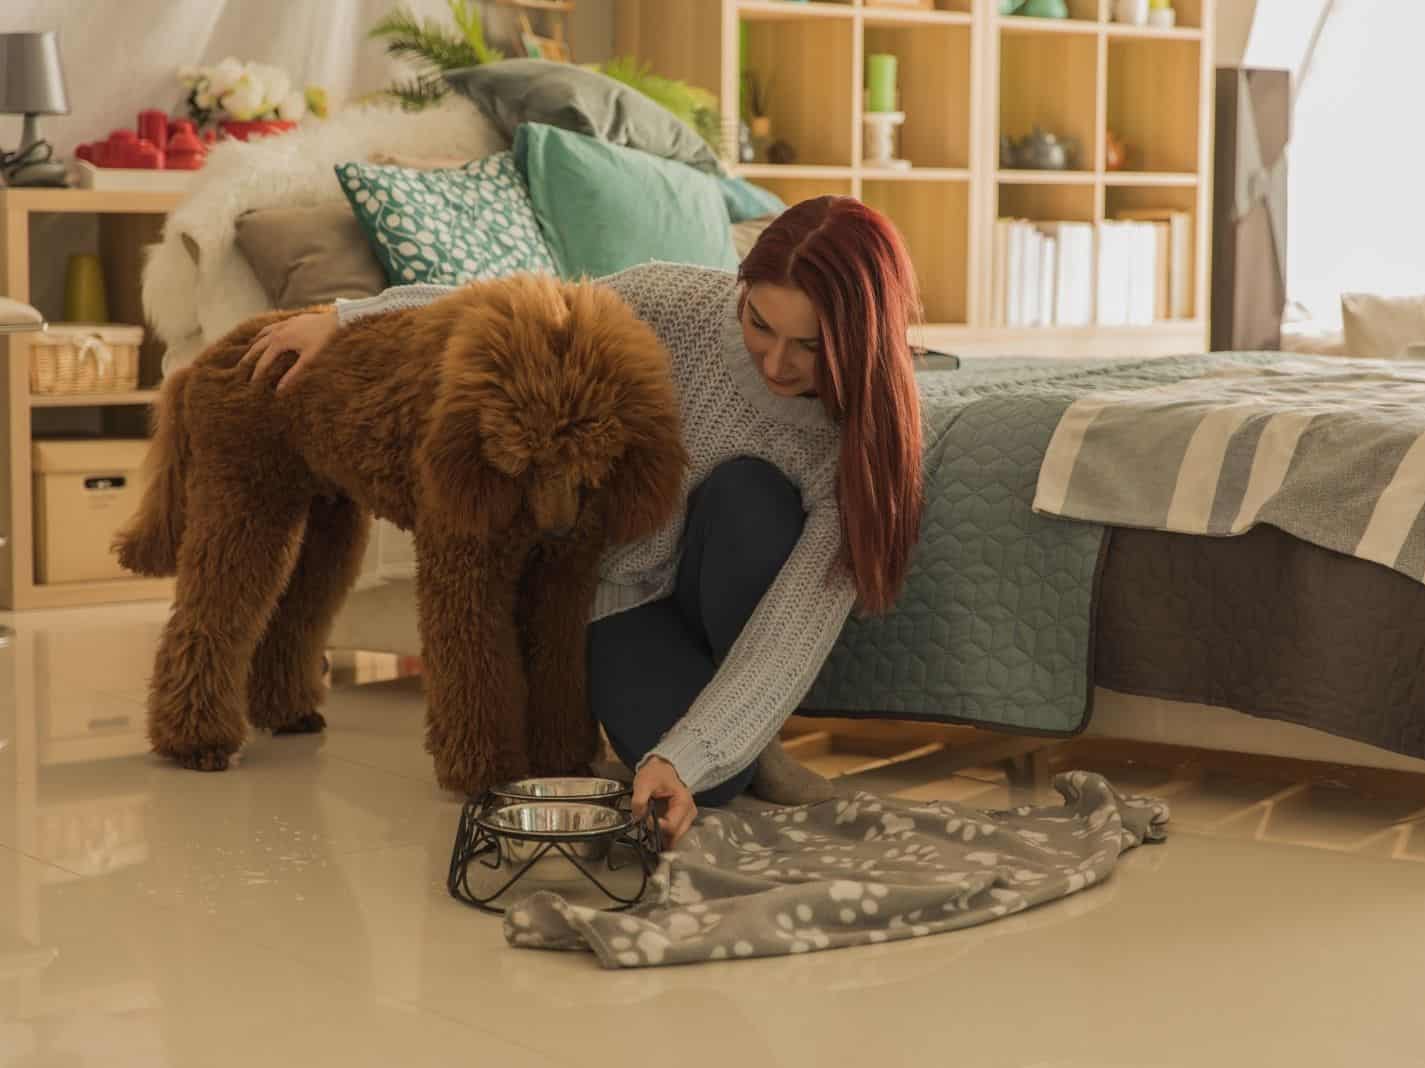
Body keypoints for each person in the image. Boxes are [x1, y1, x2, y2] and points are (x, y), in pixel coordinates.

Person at [242, 196, 925, 846]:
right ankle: (736, 742)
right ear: (741, 290)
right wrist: (348, 315)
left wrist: (690, 753)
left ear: (860, 340)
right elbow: (513, 308)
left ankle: (755, 730)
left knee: (751, 494)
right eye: (759, 324)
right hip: (621, 597)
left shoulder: (853, 440)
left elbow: (793, 625)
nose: (776, 362)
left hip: (725, 590)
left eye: (809, 346)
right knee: (717, 787)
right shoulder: (676, 303)